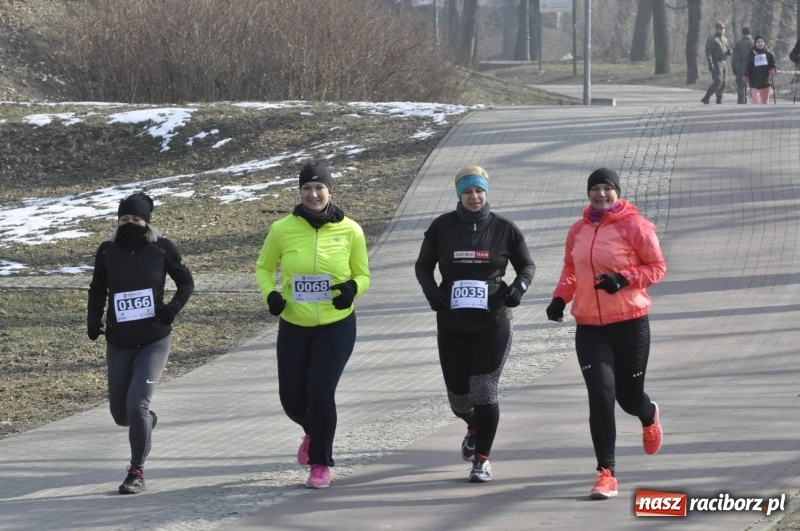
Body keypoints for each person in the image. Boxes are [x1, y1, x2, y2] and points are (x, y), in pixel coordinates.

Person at [545, 168, 666, 500]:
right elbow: (571, 270)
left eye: (607, 189)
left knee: (628, 399)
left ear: (617, 192)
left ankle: (648, 413)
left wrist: (623, 278)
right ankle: (607, 474)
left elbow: (657, 267)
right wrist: (560, 297)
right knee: (600, 396)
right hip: (590, 328)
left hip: (630, 324)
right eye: (595, 189)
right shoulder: (578, 231)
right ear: (588, 194)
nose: (601, 194)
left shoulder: (636, 227)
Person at [415, 165, 536, 483]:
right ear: (459, 195)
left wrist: (517, 289)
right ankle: (474, 426)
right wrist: (432, 293)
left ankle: (482, 459)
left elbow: (527, 265)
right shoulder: (442, 227)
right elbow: (423, 266)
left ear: (487, 193)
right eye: (467, 191)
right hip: (452, 324)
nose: (474, 196)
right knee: (459, 399)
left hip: (493, 321)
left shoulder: (504, 228)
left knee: (483, 390)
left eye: (479, 190)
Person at [255, 163, 370, 489]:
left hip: (336, 325)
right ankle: (313, 431)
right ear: (300, 192)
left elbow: (363, 274)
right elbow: (263, 267)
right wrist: (271, 295)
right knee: (292, 399)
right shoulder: (282, 229)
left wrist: (352, 290)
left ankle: (321, 462)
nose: (314, 193)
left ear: (329, 191)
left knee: (320, 392)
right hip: (294, 324)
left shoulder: (351, 230)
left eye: (320, 188)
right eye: (307, 188)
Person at [87, 192, 194, 495]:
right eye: (124, 219)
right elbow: (97, 289)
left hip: (153, 340)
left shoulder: (162, 249)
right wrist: (93, 320)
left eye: (136, 219)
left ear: (147, 221)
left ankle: (136, 471)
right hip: (119, 341)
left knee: (137, 405)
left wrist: (172, 309)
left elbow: (186, 282)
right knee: (122, 415)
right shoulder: (107, 251)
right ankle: (144, 422)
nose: (129, 223)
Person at [701, 21, 732, 104]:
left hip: (724, 61)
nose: (722, 30)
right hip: (716, 61)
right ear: (717, 29)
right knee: (718, 81)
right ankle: (707, 97)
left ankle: (719, 97)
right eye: (721, 28)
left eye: (724, 28)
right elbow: (708, 52)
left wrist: (730, 51)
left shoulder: (725, 39)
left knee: (725, 82)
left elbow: (729, 48)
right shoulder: (712, 39)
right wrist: (710, 63)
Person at [743, 36, 777, 105]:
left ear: (764, 43)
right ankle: (755, 114)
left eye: (762, 42)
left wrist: (773, 70)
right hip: (755, 82)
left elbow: (773, 65)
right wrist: (746, 75)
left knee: (765, 102)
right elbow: (748, 67)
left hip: (766, 81)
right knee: (755, 101)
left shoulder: (770, 54)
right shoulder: (751, 55)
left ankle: (765, 115)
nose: (760, 43)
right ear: (755, 43)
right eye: (758, 42)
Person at [732, 27, 754, 104]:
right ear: (750, 33)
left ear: (742, 33)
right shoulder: (754, 43)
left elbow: (735, 58)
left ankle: (741, 100)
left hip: (742, 64)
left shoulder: (738, 44)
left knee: (741, 83)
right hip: (752, 65)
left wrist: (734, 67)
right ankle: (755, 99)